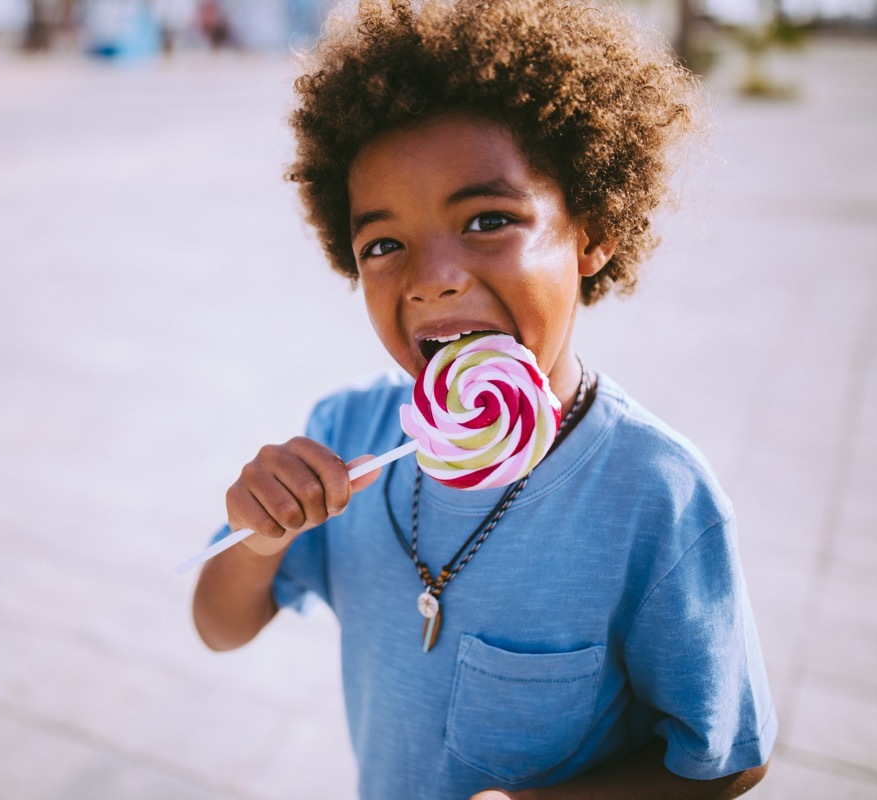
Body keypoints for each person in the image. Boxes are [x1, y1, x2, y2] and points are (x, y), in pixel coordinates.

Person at [191, 1, 776, 798]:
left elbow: (729, 758)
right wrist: (256, 541)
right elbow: (219, 628)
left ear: (594, 232)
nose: (433, 276)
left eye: (489, 219)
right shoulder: (344, 437)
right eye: (384, 244)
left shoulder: (655, 495)